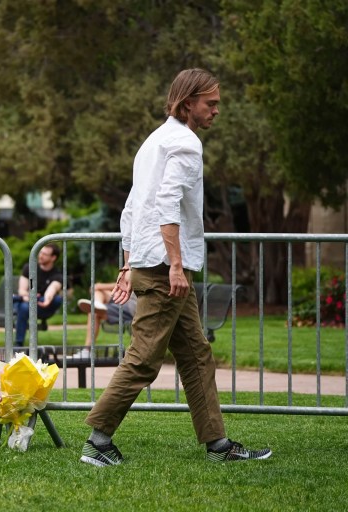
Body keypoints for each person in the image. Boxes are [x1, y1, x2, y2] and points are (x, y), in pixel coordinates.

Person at [80, 69, 271, 467]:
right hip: (166, 267)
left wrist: (128, 261)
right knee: (145, 357)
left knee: (197, 354)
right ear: (188, 104)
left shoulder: (154, 141)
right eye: (210, 103)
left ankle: (218, 445)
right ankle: (98, 441)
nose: (216, 110)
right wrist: (176, 266)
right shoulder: (184, 143)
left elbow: (133, 207)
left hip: (152, 261)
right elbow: (165, 206)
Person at [13, 243, 63, 347]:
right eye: (40, 252)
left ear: (53, 257)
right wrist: (29, 297)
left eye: (45, 254)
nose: (40, 255)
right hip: (28, 302)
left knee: (57, 299)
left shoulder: (58, 274)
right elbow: (22, 290)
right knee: (24, 307)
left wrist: (47, 300)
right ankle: (18, 343)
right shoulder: (29, 267)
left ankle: (18, 343)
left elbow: (53, 288)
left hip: (44, 305)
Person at [77, 283, 136, 350]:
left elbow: (126, 283)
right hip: (128, 298)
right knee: (99, 292)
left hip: (132, 306)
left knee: (94, 312)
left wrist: (99, 286)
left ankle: (86, 351)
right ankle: (97, 303)